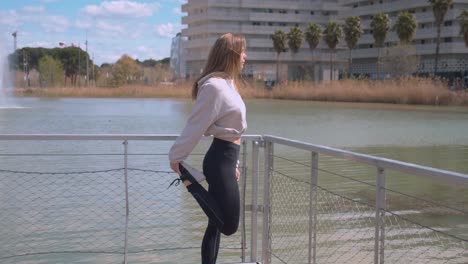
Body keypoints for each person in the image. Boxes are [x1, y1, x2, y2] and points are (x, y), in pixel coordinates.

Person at [168, 33, 247, 264]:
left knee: (214, 223)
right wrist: (176, 157)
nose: (245, 56)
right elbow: (196, 125)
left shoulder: (229, 84)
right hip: (219, 160)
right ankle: (190, 181)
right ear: (231, 54)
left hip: (228, 160)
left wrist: (236, 163)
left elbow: (233, 129)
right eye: (242, 52)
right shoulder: (214, 87)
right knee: (229, 225)